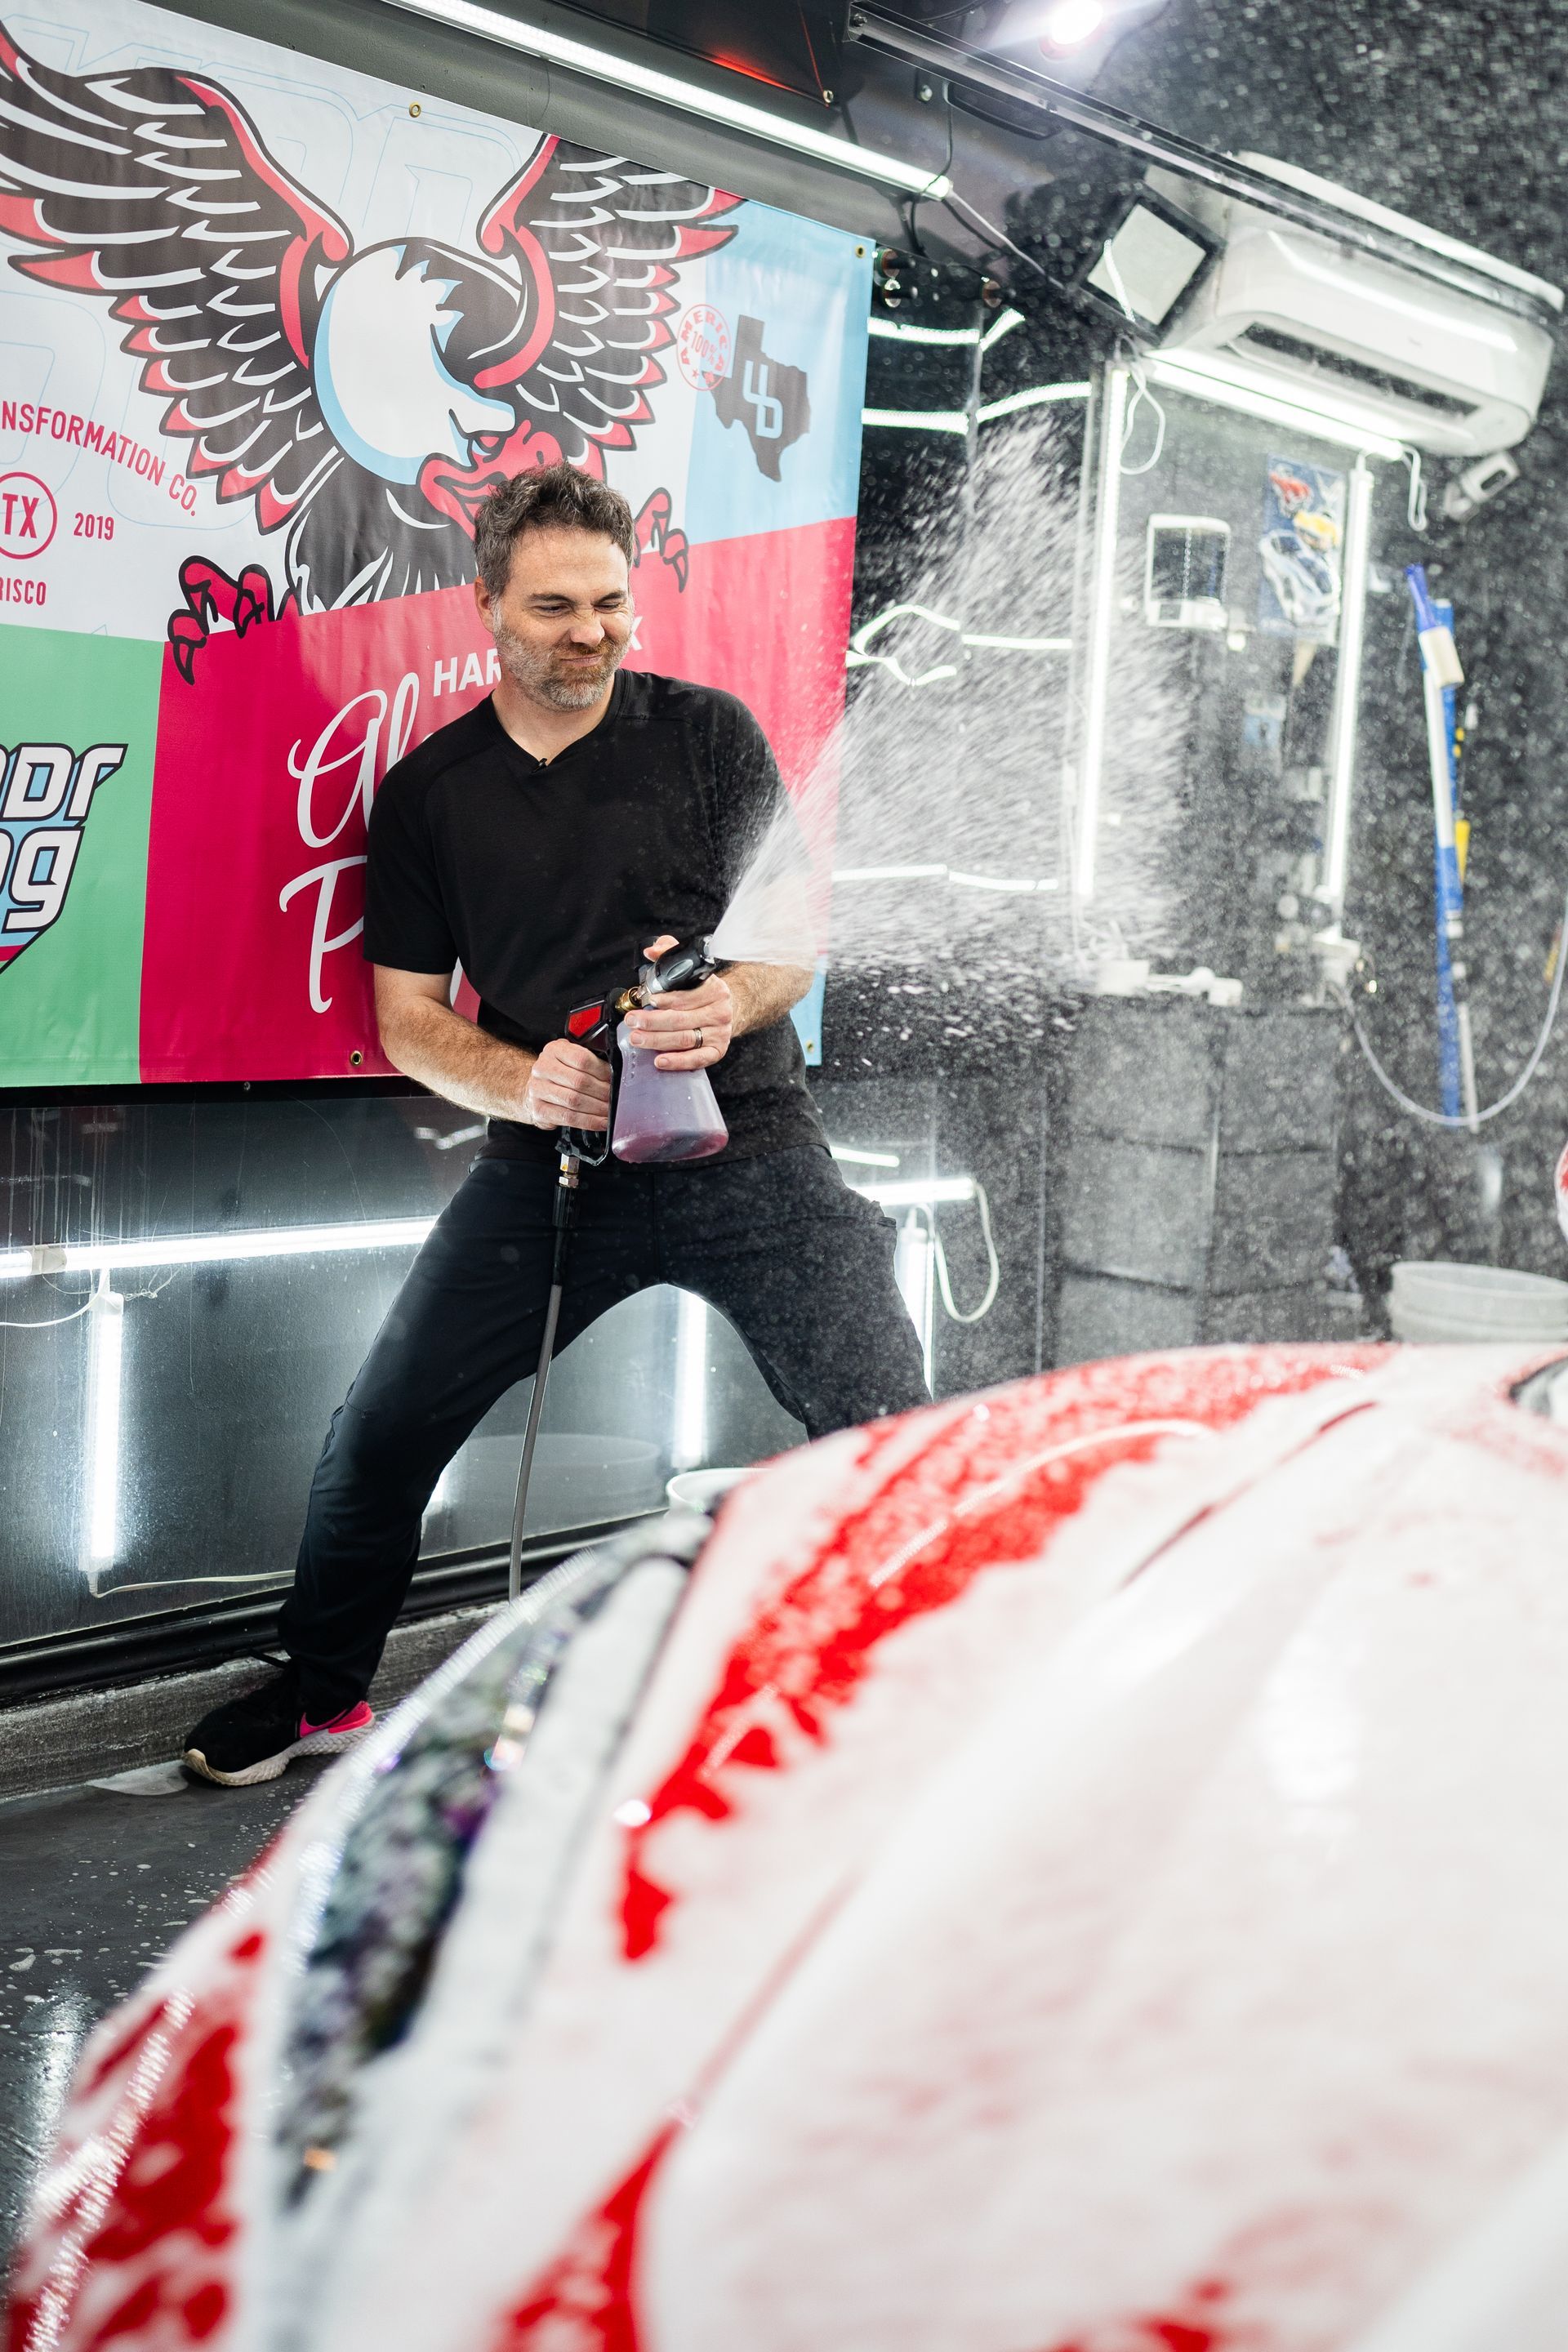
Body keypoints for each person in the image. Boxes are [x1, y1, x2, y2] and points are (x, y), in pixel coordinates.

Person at [184, 462, 930, 1785]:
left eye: (608, 603)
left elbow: (793, 940)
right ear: (485, 608)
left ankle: (935, 1671)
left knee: (882, 1411)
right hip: (551, 1165)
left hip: (747, 1139)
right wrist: (518, 1083)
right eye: (553, 607)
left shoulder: (708, 736)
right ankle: (318, 1692)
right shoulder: (429, 797)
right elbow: (408, 1016)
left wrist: (728, 1005)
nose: (589, 632)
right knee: (384, 1424)